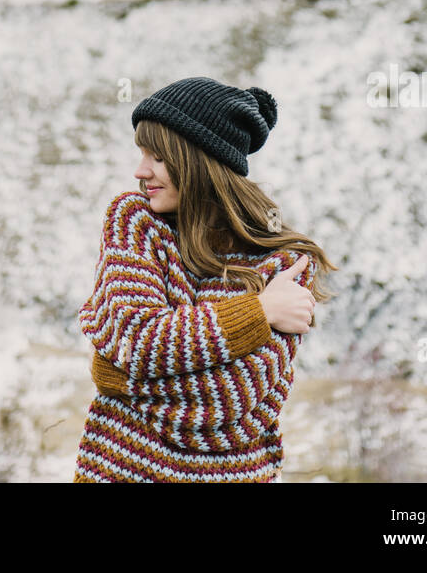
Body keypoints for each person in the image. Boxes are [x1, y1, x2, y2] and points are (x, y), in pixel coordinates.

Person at [73, 76, 337, 483]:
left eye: (157, 157)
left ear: (198, 160)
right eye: (142, 154)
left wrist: (121, 374)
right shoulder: (136, 223)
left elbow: (224, 400)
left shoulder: (283, 265)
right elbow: (139, 338)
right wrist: (258, 312)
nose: (140, 171)